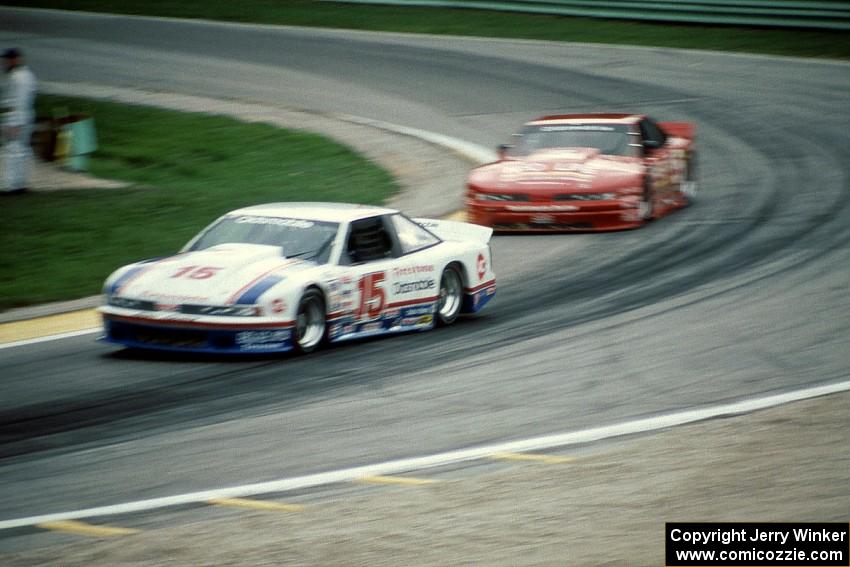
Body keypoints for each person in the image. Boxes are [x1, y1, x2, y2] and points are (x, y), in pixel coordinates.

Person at [2, 47, 37, 194]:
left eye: (7, 60)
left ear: (15, 60)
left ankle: (12, 185)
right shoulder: (28, 75)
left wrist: (14, 122)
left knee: (13, 149)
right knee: (22, 150)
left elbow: (19, 102)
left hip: (17, 116)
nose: (4, 63)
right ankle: (21, 183)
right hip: (26, 115)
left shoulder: (17, 77)